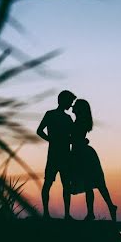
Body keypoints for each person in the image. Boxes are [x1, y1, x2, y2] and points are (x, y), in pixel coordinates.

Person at [68, 98, 117, 221]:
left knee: (92, 183)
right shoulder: (81, 121)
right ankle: (107, 207)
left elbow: (75, 139)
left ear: (79, 109)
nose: (72, 107)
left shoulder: (79, 121)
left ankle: (95, 211)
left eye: (75, 105)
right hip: (83, 153)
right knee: (95, 183)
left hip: (81, 154)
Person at [36, 89, 76, 219]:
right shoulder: (51, 114)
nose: (70, 105)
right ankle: (47, 213)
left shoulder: (67, 118)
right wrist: (51, 140)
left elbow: (72, 136)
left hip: (64, 155)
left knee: (64, 185)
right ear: (63, 101)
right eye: (70, 102)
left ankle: (66, 214)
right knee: (49, 183)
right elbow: (39, 131)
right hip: (55, 155)